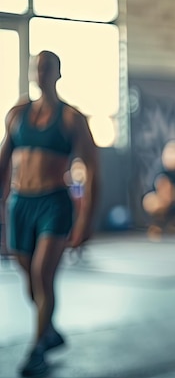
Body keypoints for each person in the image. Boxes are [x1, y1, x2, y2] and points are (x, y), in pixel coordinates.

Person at [0, 50, 100, 377]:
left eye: (47, 68)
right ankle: (50, 330)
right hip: (20, 203)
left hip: (54, 203)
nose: (41, 73)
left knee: (43, 274)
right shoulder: (16, 115)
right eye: (37, 68)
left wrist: (85, 221)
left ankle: (37, 348)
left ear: (58, 73)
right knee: (30, 279)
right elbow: (3, 164)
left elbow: (93, 170)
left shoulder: (72, 119)